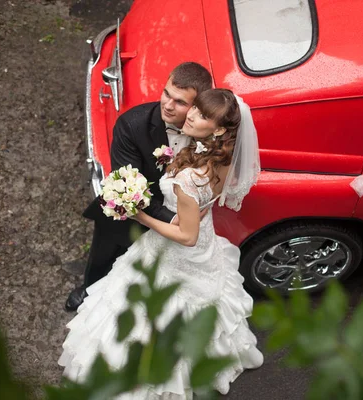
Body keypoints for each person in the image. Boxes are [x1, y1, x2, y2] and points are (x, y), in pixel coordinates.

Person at [59, 89, 263, 397]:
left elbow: (187, 236)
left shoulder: (190, 178)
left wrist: (142, 217)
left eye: (202, 115)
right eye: (195, 108)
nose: (190, 115)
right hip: (204, 239)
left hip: (180, 250)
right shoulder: (223, 154)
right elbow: (205, 205)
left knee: (147, 313)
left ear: (219, 128)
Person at [65, 62, 213, 311]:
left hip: (183, 216)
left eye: (180, 102)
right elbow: (128, 185)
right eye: (167, 93)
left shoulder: (208, 129)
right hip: (133, 211)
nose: (167, 104)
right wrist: (175, 219)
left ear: (197, 107)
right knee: (105, 253)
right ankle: (89, 289)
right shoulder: (132, 125)